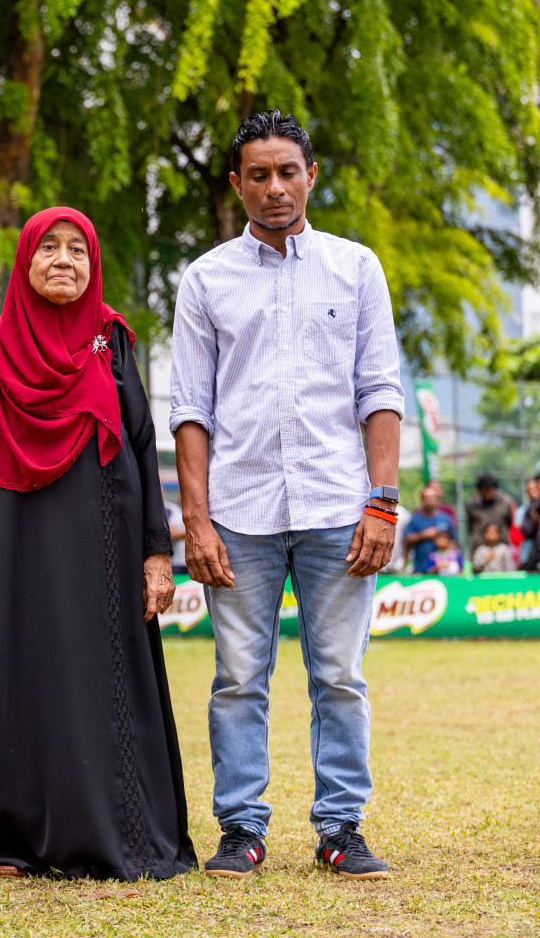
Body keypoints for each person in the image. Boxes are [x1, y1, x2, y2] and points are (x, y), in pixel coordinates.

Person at [170, 110, 404, 881]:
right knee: (238, 679)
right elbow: (192, 409)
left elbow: (379, 389)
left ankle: (342, 827)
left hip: (340, 507)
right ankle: (241, 828)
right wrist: (196, 522)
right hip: (239, 515)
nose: (276, 187)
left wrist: (382, 501)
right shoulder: (206, 279)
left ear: (312, 176)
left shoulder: (356, 268)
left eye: (288, 171)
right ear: (237, 184)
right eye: (259, 175)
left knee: (339, 675)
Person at [0, 207, 196, 881]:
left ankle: (118, 834)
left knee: (105, 674)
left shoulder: (110, 337)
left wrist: (155, 551)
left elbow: (143, 445)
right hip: (18, 540)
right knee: (25, 677)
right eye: (49, 248)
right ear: (25, 261)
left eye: (78, 250)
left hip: (105, 541)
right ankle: (16, 842)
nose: (64, 260)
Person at [404, 487, 456, 575]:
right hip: (421, 568)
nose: (430, 500)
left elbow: (453, 541)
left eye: (432, 498)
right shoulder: (415, 519)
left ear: (437, 499)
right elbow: (408, 539)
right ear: (422, 500)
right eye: (426, 498)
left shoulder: (445, 518)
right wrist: (424, 535)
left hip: (442, 570)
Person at [464, 475, 515, 562]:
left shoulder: (504, 502)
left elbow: (509, 521)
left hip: (501, 546)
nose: (488, 493)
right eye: (485, 490)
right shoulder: (472, 505)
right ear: (480, 490)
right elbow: (470, 525)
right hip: (479, 547)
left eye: (490, 490)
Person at [166, 499, 188, 574]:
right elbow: (168, 533)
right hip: (176, 563)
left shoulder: (173, 509)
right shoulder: (168, 509)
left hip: (188, 562)